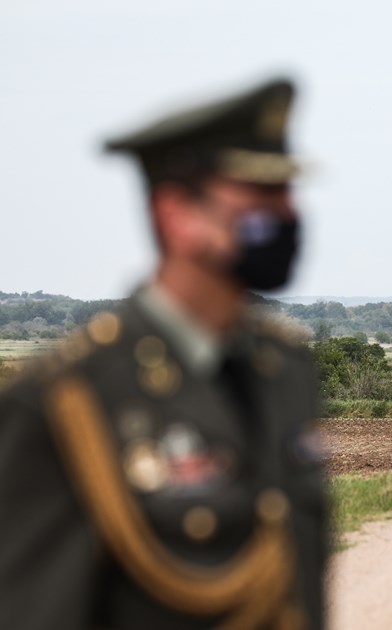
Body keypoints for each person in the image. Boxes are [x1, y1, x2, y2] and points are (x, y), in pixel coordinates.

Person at [0, 77, 329, 629]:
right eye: (259, 194)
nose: (287, 212)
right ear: (177, 213)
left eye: (287, 191)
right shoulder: (65, 403)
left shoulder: (287, 373)